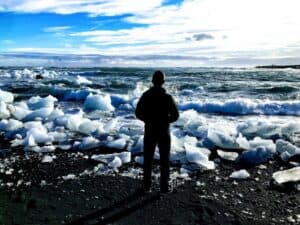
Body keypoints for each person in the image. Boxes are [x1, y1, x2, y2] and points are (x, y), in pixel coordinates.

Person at [135, 70, 179, 193]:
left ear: (153, 81)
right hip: (164, 132)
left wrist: (147, 120)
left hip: (150, 130)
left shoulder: (146, 95)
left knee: (148, 159)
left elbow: (138, 113)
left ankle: (146, 186)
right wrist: (165, 121)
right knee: (165, 160)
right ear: (163, 82)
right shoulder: (168, 97)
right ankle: (164, 187)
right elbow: (175, 115)